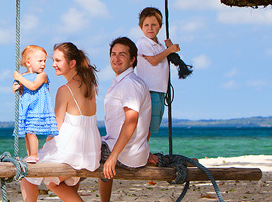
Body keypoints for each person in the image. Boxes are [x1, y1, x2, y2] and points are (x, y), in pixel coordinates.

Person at [19, 42, 102, 202]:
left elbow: (55, 126)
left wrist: (45, 148)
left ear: (72, 63)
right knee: (53, 182)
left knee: (27, 172)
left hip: (72, 149)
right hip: (90, 149)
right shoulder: (90, 85)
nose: (53, 64)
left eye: (58, 61)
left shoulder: (65, 90)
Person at [98, 37, 154, 202]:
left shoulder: (130, 84)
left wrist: (114, 155)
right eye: (113, 54)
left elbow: (131, 121)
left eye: (122, 55)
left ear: (132, 60)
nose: (116, 58)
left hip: (125, 154)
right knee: (90, 146)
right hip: (126, 149)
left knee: (78, 154)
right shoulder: (120, 83)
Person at [135, 7, 179, 144]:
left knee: (155, 122)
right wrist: (169, 50)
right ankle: (141, 150)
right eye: (146, 25)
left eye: (154, 25)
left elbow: (165, 57)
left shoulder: (159, 45)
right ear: (141, 27)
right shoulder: (143, 43)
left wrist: (169, 49)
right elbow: (153, 60)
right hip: (150, 89)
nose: (150, 28)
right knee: (148, 124)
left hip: (160, 90)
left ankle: (143, 149)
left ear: (160, 26)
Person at [12, 45, 58, 163]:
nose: (43, 64)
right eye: (40, 61)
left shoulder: (41, 75)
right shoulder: (23, 76)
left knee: (32, 131)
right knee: (27, 133)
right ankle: (30, 155)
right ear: (29, 62)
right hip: (27, 108)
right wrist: (16, 87)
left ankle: (34, 155)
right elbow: (22, 91)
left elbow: (33, 86)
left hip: (37, 108)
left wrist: (19, 78)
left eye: (44, 61)